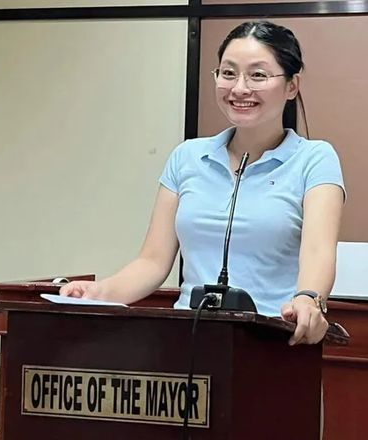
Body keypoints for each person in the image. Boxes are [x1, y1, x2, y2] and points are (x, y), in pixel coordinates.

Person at [60, 20, 345, 346]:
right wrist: (98, 292)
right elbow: (152, 262)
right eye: (228, 73)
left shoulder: (315, 159)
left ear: (292, 86)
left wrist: (308, 299)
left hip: (273, 342)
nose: (239, 88)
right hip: (190, 341)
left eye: (258, 75)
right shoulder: (188, 157)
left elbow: (318, 250)